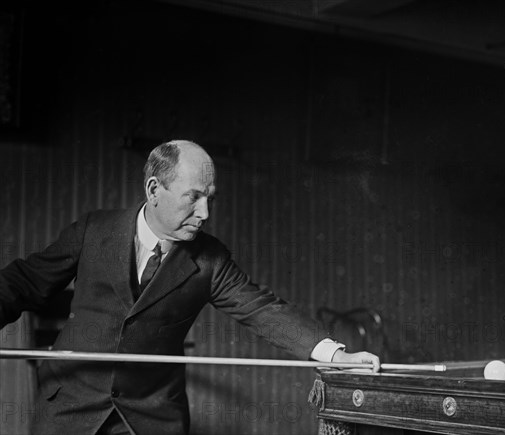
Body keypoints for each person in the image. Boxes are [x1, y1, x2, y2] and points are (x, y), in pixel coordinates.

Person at [0, 140, 380, 435]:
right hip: (69, 408)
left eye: (209, 199)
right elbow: (26, 281)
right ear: (154, 189)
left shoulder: (209, 258)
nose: (205, 214)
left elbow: (262, 308)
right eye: (193, 198)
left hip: (150, 416)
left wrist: (332, 354)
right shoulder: (93, 230)